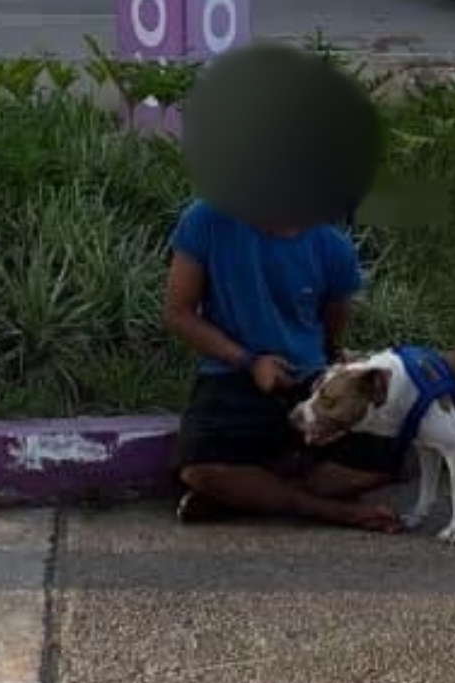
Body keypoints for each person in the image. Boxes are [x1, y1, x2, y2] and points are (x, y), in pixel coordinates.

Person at [163, 198, 403, 533]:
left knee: (387, 463)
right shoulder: (207, 218)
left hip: (309, 380)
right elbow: (179, 313)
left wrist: (338, 368)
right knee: (198, 470)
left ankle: (249, 493)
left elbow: (331, 329)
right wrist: (250, 362)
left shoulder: (332, 246)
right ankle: (331, 511)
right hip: (232, 373)